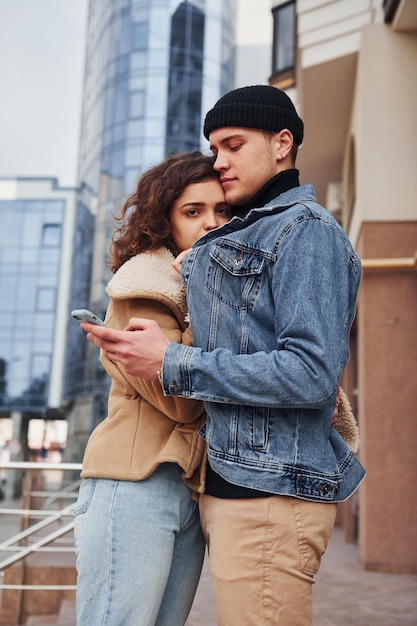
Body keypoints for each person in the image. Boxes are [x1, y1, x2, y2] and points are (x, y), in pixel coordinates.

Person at [81, 85, 366, 625]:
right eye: (214, 148)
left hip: (269, 494)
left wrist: (173, 362)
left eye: (233, 145)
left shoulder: (304, 231)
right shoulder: (240, 237)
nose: (221, 160)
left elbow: (310, 373)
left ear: (283, 143)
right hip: (232, 489)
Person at [73, 151, 231, 626]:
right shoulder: (144, 287)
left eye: (222, 211)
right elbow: (182, 403)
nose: (210, 224)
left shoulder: (204, 289)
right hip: (132, 486)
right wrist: (202, 290)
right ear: (165, 222)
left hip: (187, 491)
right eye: (193, 211)